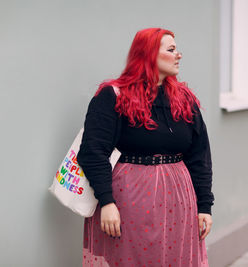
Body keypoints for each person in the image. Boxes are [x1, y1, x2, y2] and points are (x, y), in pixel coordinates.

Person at [77, 27, 215, 267]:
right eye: (171, 50)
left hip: (178, 202)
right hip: (128, 201)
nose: (179, 55)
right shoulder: (113, 96)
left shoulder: (185, 100)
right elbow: (93, 152)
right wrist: (107, 202)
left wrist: (204, 205)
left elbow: (199, 156)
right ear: (149, 54)